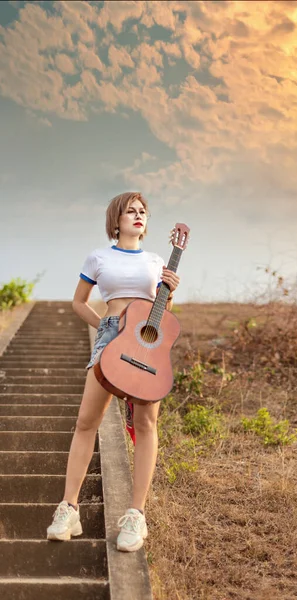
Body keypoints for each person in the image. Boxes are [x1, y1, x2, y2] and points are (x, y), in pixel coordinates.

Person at [46, 191, 180, 552]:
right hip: (110, 337)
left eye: (143, 212)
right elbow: (78, 302)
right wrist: (104, 323)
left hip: (145, 342)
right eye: (130, 211)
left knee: (147, 424)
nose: (138, 216)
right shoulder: (99, 257)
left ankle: (136, 515)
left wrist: (169, 292)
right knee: (86, 421)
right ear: (116, 219)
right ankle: (69, 509)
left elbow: (161, 313)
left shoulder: (155, 261)